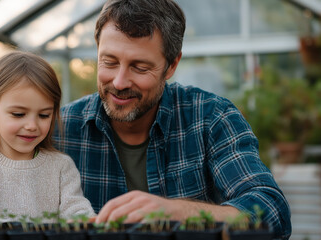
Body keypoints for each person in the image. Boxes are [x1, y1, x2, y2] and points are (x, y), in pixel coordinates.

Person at [53, 0, 291, 239]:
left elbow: (271, 212)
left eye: (139, 67)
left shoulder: (211, 118)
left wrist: (177, 212)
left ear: (171, 65)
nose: (119, 82)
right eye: (109, 62)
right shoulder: (59, 129)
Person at [0, 51, 95, 221]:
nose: (32, 126)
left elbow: (75, 208)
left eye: (44, 115)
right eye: (18, 114)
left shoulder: (61, 166)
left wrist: (88, 221)